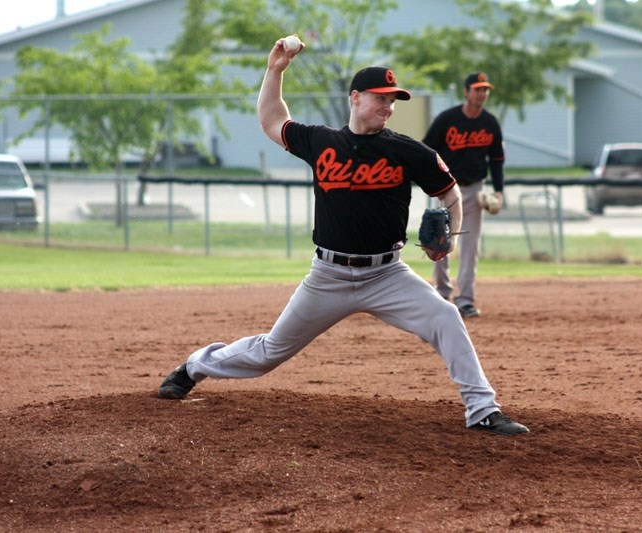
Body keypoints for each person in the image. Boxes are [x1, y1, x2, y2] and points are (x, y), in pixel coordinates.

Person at [157, 37, 528, 437]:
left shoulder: (408, 151)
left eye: (392, 101)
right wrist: (275, 71)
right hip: (328, 276)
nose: (387, 107)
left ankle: (482, 409)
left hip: (387, 275)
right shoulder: (322, 142)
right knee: (269, 353)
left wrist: (451, 233)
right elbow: (271, 120)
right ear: (355, 98)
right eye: (380, 98)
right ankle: (195, 366)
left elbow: (449, 191)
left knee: (446, 316)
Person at [422, 72, 506, 319]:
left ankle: (466, 300)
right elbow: (427, 150)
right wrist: (431, 181)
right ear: (466, 92)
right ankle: (441, 294)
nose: (482, 94)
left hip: (474, 190)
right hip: (445, 189)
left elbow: (497, 160)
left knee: (470, 247)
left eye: (485, 90)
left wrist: (499, 192)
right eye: (477, 89)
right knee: (439, 242)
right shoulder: (448, 120)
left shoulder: (490, 123)